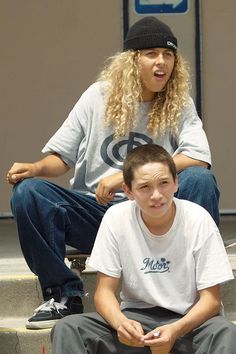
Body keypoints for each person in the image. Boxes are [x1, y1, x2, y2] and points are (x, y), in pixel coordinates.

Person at [7, 16, 219, 329]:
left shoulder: (178, 103)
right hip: (100, 214)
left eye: (169, 54)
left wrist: (126, 177)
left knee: (200, 180)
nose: (162, 62)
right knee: (29, 193)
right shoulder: (97, 96)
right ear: (132, 61)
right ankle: (64, 296)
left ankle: (201, 292)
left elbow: (198, 156)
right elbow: (61, 158)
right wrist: (36, 168)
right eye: (151, 54)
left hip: (155, 212)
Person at [51, 144, 235, 354]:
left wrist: (175, 329)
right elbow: (103, 293)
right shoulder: (116, 218)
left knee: (225, 332)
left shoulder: (198, 219)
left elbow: (211, 301)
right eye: (145, 187)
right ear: (128, 191)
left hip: (188, 324)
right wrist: (121, 324)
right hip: (136, 320)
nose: (156, 195)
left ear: (176, 183)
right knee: (69, 328)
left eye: (164, 183)